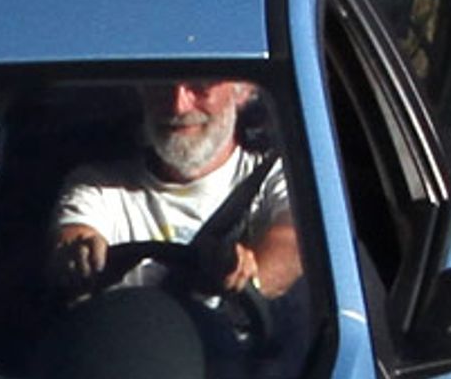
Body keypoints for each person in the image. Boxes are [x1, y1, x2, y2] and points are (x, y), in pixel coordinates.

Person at [46, 79, 302, 298]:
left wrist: (248, 279)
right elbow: (75, 235)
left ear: (242, 91)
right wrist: (80, 255)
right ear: (141, 92)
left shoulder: (279, 176)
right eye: (161, 86)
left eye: (200, 85)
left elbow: (293, 242)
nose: (177, 105)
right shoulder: (98, 185)